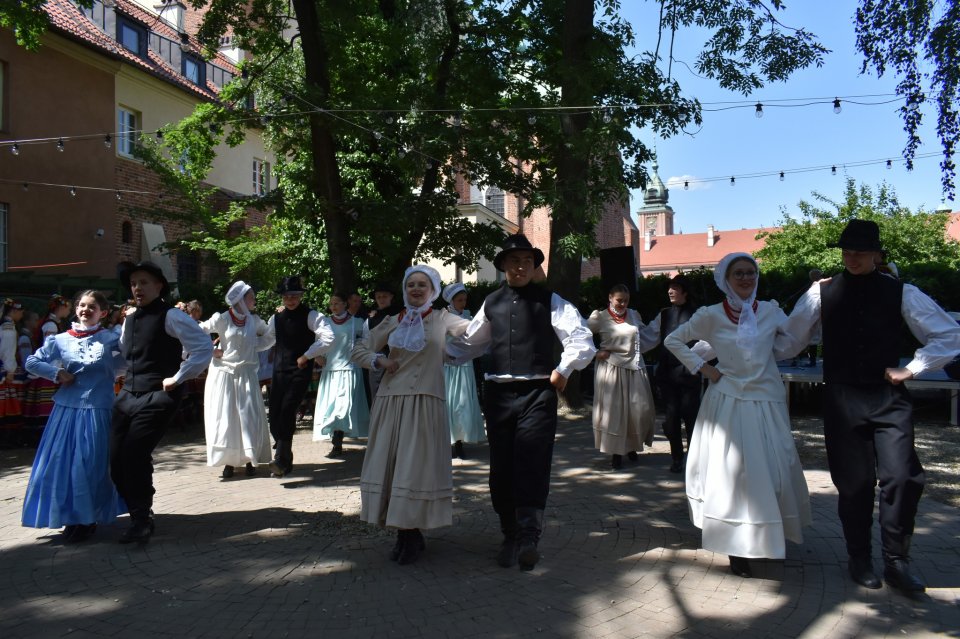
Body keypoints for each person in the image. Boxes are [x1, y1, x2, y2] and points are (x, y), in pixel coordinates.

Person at [784, 219, 960, 593]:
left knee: (902, 477)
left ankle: (897, 561)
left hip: (888, 399)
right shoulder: (822, 292)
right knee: (855, 483)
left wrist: (912, 368)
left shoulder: (902, 293)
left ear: (878, 254)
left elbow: (949, 334)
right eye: (846, 252)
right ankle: (859, 557)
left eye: (859, 253)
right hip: (842, 398)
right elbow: (789, 340)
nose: (851, 258)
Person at [448, 234, 596, 571]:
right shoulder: (492, 303)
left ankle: (530, 536)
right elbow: (468, 345)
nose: (520, 266)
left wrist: (564, 369)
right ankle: (510, 534)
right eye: (514, 261)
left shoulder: (551, 301)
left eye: (527, 261)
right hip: (499, 396)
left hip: (537, 395)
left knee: (532, 461)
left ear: (534, 265)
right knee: (501, 469)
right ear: (502, 266)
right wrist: (430, 354)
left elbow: (581, 338)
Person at [664, 252, 811, 578]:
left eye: (750, 273)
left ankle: (768, 534)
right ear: (725, 280)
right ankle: (735, 545)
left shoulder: (771, 311)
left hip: (766, 400)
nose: (746, 278)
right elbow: (673, 340)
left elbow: (789, 345)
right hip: (728, 402)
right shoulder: (711, 315)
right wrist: (703, 368)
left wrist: (814, 307)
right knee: (735, 474)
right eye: (739, 274)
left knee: (774, 469)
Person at [352, 265, 471, 565]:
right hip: (390, 402)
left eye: (422, 285)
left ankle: (411, 531)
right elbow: (359, 350)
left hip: (424, 403)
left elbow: (474, 333)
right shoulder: (393, 320)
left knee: (415, 467)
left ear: (432, 289)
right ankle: (405, 533)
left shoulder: (443, 318)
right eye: (411, 285)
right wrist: (379, 361)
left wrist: (457, 350)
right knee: (392, 467)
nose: (416, 289)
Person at [111, 260, 213, 543]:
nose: (137, 288)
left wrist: (179, 377)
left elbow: (203, 347)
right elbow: (125, 358)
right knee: (114, 459)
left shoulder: (172, 316)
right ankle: (139, 511)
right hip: (127, 394)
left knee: (134, 454)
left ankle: (141, 519)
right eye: (134, 283)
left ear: (158, 285)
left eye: (144, 282)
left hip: (159, 395)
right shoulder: (129, 319)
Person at [21, 290, 126, 542]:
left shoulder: (110, 338)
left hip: (98, 409)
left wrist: (109, 373)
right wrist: (57, 374)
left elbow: (127, 362)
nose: (85, 310)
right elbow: (32, 362)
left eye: (92, 307)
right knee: (62, 464)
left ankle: (88, 517)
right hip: (66, 412)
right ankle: (71, 517)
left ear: (102, 312)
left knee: (91, 465)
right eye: (81, 305)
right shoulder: (59, 339)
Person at [198, 281, 275, 479]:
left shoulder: (254, 321)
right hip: (224, 374)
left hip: (247, 375)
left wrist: (252, 346)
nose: (254, 301)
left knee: (248, 417)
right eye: (251, 298)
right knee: (227, 418)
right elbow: (197, 332)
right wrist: (210, 350)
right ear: (241, 300)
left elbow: (268, 337)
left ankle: (250, 457)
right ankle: (229, 462)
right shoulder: (221, 319)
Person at [264, 276, 334, 477]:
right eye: (287, 296)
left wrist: (307, 355)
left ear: (301, 295)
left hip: (299, 371)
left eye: (294, 295)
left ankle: (281, 460)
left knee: (287, 410)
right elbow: (266, 341)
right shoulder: (275, 318)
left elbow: (329, 337)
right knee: (275, 417)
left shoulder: (312, 316)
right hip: (278, 372)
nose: (291, 299)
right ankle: (284, 456)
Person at [587, 284, 657, 470]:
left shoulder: (634, 315)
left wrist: (662, 321)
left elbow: (644, 336)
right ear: (610, 297)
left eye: (626, 300)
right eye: (619, 300)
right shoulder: (599, 317)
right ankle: (617, 453)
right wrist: (595, 352)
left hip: (634, 367)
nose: (622, 304)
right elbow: (580, 336)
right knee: (615, 412)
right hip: (611, 369)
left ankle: (632, 445)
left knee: (639, 410)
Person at [647, 275, 702, 473]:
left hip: (689, 374)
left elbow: (707, 341)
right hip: (667, 375)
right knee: (671, 419)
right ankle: (677, 458)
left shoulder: (698, 314)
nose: (670, 291)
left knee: (690, 417)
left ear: (685, 292)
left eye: (675, 288)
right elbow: (648, 337)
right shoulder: (663, 314)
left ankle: (694, 460)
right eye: (669, 288)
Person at [312, 291, 369, 457]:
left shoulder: (357, 323)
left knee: (342, 409)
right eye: (331, 304)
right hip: (330, 371)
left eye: (337, 303)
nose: (333, 306)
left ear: (345, 304)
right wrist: (318, 356)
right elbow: (318, 344)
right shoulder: (325, 323)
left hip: (349, 370)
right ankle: (336, 443)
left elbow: (366, 342)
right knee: (332, 409)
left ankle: (338, 441)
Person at [441, 283, 485, 459]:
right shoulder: (443, 317)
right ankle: (447, 442)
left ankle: (460, 442)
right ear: (451, 300)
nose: (463, 303)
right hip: (447, 366)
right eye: (459, 300)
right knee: (448, 404)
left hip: (464, 366)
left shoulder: (469, 316)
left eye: (465, 299)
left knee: (462, 404)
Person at [21, 296, 69, 433]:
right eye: (69, 307)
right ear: (62, 307)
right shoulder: (51, 325)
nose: (70, 310)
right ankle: (40, 432)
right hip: (50, 370)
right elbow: (50, 350)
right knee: (45, 406)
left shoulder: (53, 323)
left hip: (50, 368)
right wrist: (55, 371)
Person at [365, 282, 401, 400]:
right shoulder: (371, 319)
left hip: (397, 358)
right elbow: (366, 341)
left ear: (391, 296)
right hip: (378, 358)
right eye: (378, 297)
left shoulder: (400, 315)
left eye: (384, 296)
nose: (381, 299)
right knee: (377, 394)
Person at [0, 299, 25, 448]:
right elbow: (7, 352)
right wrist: (10, 371)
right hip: (4, 373)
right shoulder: (8, 328)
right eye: (21, 312)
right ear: (14, 311)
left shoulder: (5, 326)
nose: (22, 315)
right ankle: (5, 439)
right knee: (5, 406)